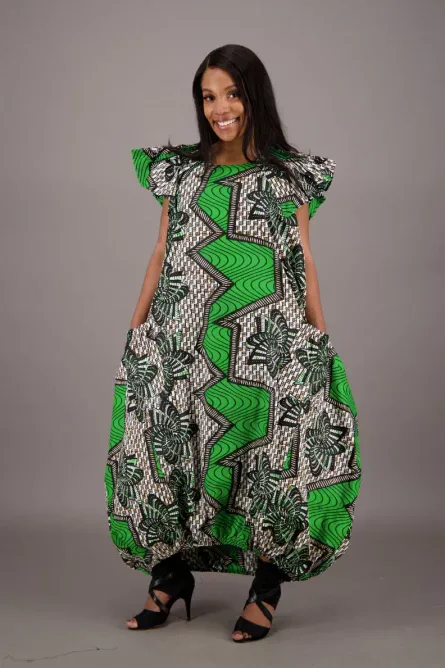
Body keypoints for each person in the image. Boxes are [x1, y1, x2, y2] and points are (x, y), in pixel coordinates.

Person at [105, 43, 362, 643]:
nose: (220, 109)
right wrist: (137, 329)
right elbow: (161, 250)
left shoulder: (289, 175)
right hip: (179, 341)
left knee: (271, 458)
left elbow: (302, 259)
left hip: (264, 345)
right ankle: (170, 577)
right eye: (208, 97)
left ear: (254, 96)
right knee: (165, 453)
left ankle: (265, 590)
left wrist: (317, 337)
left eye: (232, 94)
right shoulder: (179, 171)